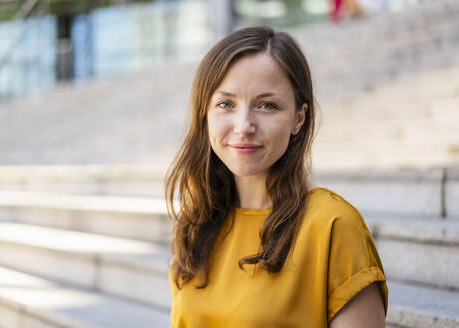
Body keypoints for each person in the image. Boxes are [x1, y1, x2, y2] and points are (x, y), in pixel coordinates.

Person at [165, 26, 387, 327]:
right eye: (225, 104)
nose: (244, 126)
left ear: (299, 118)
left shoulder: (332, 225)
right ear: (205, 114)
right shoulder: (197, 224)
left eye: (266, 105)